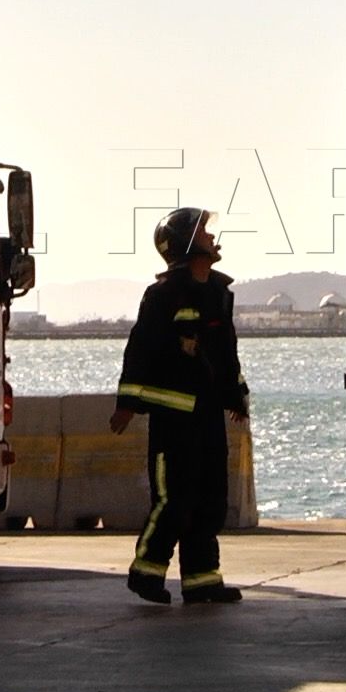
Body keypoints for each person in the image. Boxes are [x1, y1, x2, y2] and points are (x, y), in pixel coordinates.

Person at [109, 207, 250, 605]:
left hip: (207, 418)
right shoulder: (162, 295)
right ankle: (146, 573)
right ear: (187, 241)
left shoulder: (219, 294)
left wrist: (236, 395)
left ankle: (202, 581)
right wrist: (127, 403)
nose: (212, 236)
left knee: (211, 500)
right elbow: (140, 349)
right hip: (174, 420)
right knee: (175, 500)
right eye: (204, 230)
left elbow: (226, 353)